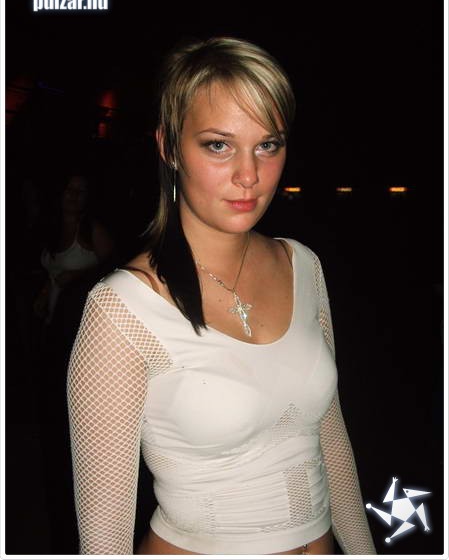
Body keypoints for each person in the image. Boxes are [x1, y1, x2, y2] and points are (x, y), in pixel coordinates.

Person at [67, 36, 377, 555]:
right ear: (169, 147)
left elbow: (331, 438)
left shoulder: (303, 265)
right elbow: (104, 542)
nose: (249, 175)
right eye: (218, 145)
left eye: (267, 145)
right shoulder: (122, 309)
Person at [34, 174, 114, 327]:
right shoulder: (51, 228)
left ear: (87, 197)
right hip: (53, 320)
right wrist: (44, 294)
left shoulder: (93, 230)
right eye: (69, 189)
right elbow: (53, 273)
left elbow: (114, 269)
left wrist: (78, 275)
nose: (74, 194)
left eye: (80, 191)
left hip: (82, 320)